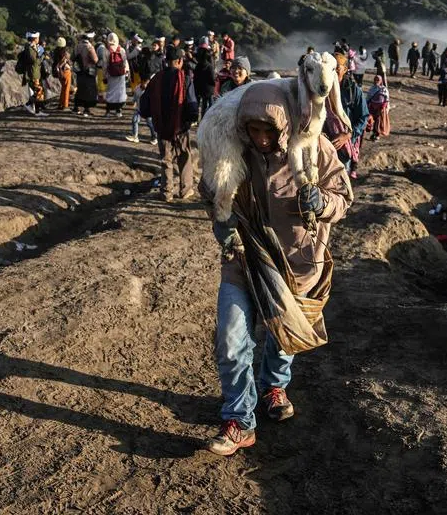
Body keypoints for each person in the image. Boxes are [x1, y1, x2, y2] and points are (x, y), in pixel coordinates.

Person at [204, 83, 353, 456]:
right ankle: (239, 420)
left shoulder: (313, 150)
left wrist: (323, 203)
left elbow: (344, 197)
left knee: (283, 335)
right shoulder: (232, 151)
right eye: (253, 130)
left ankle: (273, 386)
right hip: (245, 258)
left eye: (268, 131)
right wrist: (222, 227)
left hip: (298, 261)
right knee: (232, 338)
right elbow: (214, 195)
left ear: (284, 126)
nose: (261, 138)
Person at [140, 46, 198, 203]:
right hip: (180, 127)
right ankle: (185, 190)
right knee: (184, 157)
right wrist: (193, 117)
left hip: (162, 126)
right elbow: (191, 101)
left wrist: (147, 114)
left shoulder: (156, 78)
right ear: (179, 61)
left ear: (166, 61)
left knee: (166, 160)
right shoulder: (185, 78)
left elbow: (145, 102)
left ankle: (167, 192)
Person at [330, 52, 369, 180]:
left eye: (337, 68)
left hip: (343, 145)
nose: (332, 72)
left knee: (340, 181)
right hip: (324, 144)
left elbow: (363, 117)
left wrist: (347, 135)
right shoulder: (321, 89)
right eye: (330, 68)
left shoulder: (353, 91)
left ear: (345, 69)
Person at [17, 31, 47, 117]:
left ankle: (37, 110)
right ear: (34, 39)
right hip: (33, 73)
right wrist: (42, 56)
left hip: (35, 72)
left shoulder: (31, 47)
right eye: (37, 38)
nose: (38, 39)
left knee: (37, 92)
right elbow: (35, 61)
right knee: (39, 90)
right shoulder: (30, 49)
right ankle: (29, 105)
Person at [102, 33, 129, 117]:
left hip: (111, 74)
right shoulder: (121, 50)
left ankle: (108, 111)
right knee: (119, 93)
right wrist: (127, 73)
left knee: (110, 92)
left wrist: (104, 76)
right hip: (120, 75)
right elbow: (125, 62)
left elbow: (104, 65)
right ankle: (118, 111)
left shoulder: (106, 50)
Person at [72, 32, 99, 116]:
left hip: (79, 71)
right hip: (88, 71)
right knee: (88, 91)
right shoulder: (89, 47)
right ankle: (86, 109)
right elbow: (95, 60)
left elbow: (72, 57)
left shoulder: (77, 46)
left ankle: (76, 107)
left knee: (80, 89)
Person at [194, 39, 217, 118]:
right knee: (211, 105)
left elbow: (195, 78)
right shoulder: (209, 66)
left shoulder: (198, 66)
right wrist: (214, 84)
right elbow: (212, 78)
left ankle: (202, 118)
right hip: (209, 89)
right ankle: (210, 118)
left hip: (202, 89)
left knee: (204, 105)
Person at [366, 74, 390, 141]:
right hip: (372, 108)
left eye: (378, 80)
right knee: (371, 121)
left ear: (381, 81)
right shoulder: (372, 88)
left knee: (378, 122)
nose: (376, 81)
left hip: (380, 108)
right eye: (375, 80)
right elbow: (368, 98)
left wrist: (384, 106)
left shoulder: (384, 89)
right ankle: (373, 133)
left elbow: (387, 99)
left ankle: (376, 135)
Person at [53, 37, 72, 112]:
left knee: (63, 88)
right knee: (66, 88)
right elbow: (69, 62)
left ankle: (60, 104)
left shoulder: (55, 52)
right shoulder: (65, 53)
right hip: (66, 71)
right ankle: (65, 105)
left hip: (59, 72)